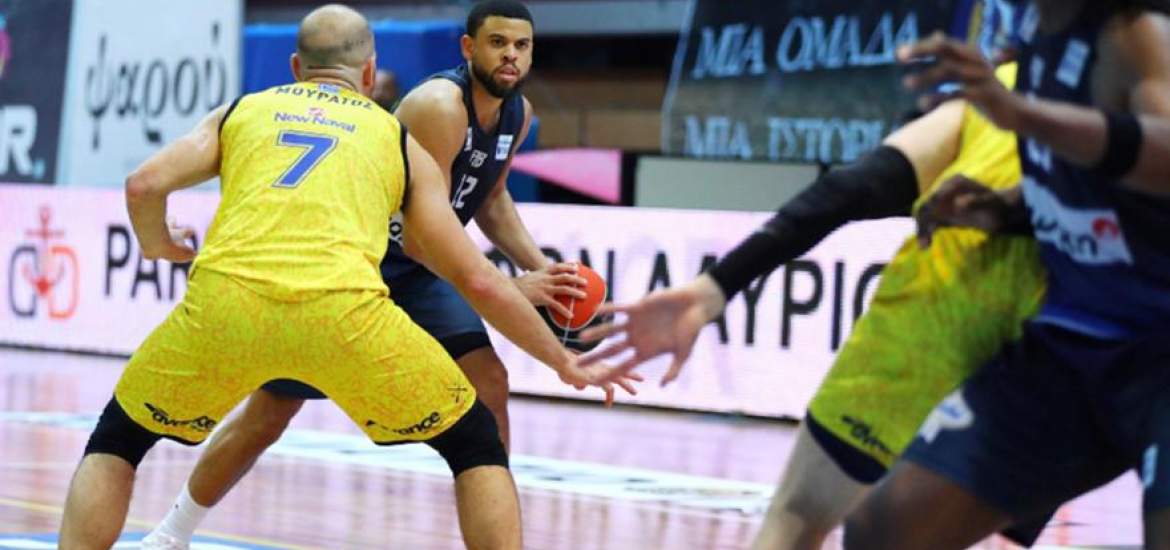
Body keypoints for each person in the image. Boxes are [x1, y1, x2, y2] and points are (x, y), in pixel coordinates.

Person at [58, 5, 623, 549]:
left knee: (120, 437)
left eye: (521, 45)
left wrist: (158, 244)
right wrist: (561, 359)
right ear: (371, 74)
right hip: (357, 293)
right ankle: (174, 530)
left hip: (237, 299)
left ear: (296, 68)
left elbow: (143, 184)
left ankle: (160, 534)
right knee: (473, 443)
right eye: (499, 42)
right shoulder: (403, 128)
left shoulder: (242, 111)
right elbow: (467, 272)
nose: (511, 54)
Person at [580, 59, 1052, 547]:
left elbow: (855, 186)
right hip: (1054, 359)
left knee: (796, 521)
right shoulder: (1092, 104)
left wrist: (717, 285)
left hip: (929, 325)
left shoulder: (1004, 84)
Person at [839, 0, 1170, 548]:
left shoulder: (1136, 33)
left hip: (1160, 353)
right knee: (881, 530)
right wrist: (1009, 208)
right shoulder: (1040, 30)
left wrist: (1019, 113)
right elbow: (1099, 183)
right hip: (1072, 349)